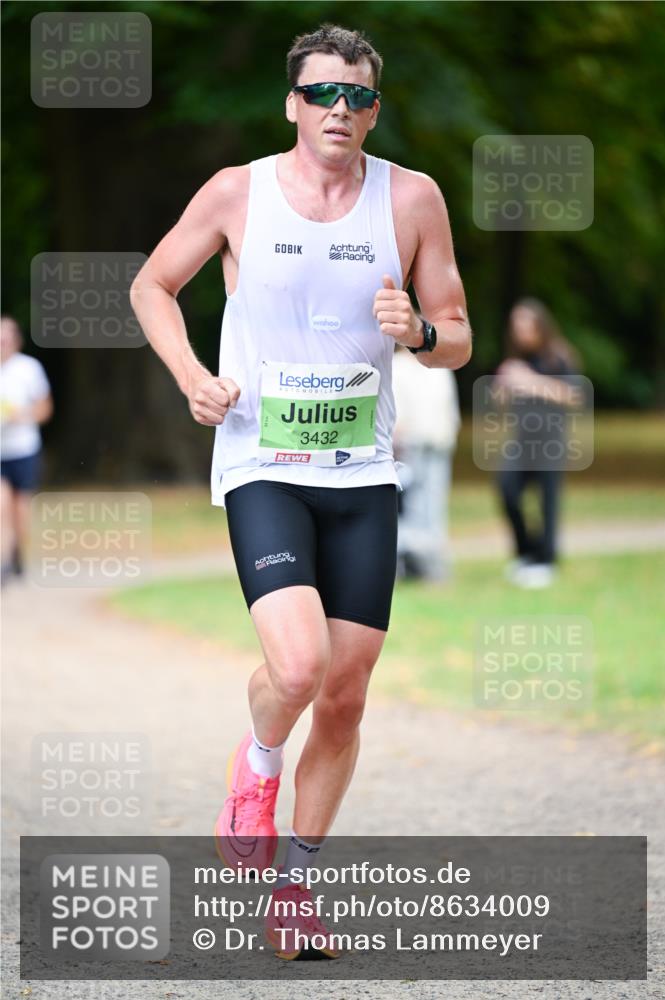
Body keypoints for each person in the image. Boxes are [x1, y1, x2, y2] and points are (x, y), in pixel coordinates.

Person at [130, 23, 471, 958]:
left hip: (362, 470)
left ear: (373, 110)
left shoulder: (412, 198)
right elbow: (153, 286)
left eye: (357, 98)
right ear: (292, 103)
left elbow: (458, 330)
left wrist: (419, 334)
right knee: (296, 668)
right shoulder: (238, 192)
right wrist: (194, 377)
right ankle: (257, 764)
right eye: (322, 94)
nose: (340, 111)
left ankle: (295, 887)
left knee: (349, 695)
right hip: (262, 461)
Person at [493, 298, 582, 589]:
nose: (521, 331)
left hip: (550, 441)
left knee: (548, 501)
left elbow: (573, 396)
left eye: (526, 325)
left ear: (541, 326)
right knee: (507, 489)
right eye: (516, 326)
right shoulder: (515, 361)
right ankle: (526, 553)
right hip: (521, 441)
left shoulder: (559, 356)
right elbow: (500, 404)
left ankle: (546, 561)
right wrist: (504, 387)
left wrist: (530, 381)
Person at [392, 345, 460, 581]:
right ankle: (412, 563)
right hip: (411, 446)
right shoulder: (398, 366)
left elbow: (448, 406)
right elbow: (395, 409)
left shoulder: (439, 366)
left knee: (435, 503)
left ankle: (433, 562)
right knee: (413, 506)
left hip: (438, 444)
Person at [0, 316, 53, 584]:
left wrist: (23, 416)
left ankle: (17, 554)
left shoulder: (29, 369)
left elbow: (45, 409)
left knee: (21, 509)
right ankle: (4, 561)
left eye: (7, 337)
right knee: (1, 505)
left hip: (24, 449)